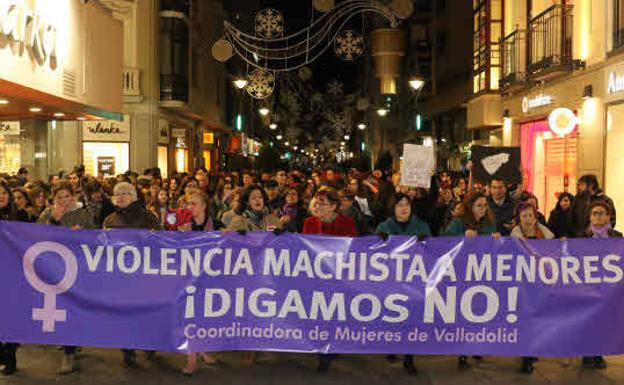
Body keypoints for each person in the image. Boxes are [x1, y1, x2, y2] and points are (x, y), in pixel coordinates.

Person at [37, 181, 95, 374]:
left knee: (73, 308)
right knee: (60, 308)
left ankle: (69, 353)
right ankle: (69, 341)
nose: (63, 201)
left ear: (73, 197)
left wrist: (83, 235)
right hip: (54, 270)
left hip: (78, 270)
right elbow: (35, 236)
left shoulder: (83, 214)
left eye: (66, 196)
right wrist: (53, 221)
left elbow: (95, 239)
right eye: (59, 197)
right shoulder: (47, 214)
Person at [102, 182, 161, 368]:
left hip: (143, 276)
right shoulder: (109, 220)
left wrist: (155, 237)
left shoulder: (148, 218)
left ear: (134, 197)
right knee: (123, 314)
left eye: (125, 193)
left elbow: (160, 244)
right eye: (117, 193)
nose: (120, 197)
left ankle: (149, 343)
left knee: (144, 312)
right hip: (119, 278)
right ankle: (127, 350)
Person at [374, 193, 430, 375]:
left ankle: (409, 358)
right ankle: (391, 345)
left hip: (414, 283)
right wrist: (379, 242)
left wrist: (425, 244)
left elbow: (432, 252)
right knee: (392, 317)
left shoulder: (421, 226)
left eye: (407, 204)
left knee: (411, 320)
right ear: (393, 208)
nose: (404, 208)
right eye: (399, 205)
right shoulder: (384, 227)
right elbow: (373, 254)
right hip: (391, 282)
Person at [443, 191, 500, 371]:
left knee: (479, 312)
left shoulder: (489, 223)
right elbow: (445, 242)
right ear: (470, 207)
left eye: (485, 205)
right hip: (462, 275)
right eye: (479, 205)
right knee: (464, 314)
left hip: (482, 274)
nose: (483, 209)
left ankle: (476, 346)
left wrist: (497, 240)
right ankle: (462, 353)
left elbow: (494, 249)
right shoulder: (459, 223)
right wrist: (462, 238)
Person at [302, 187, 357, 372]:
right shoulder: (309, 222)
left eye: (323, 203)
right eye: (316, 203)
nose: (318, 207)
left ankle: (334, 345)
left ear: (334, 206)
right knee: (319, 315)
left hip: (339, 277)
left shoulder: (346, 224)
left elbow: (353, 249)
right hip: (316, 278)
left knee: (336, 314)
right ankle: (323, 354)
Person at [227, 185, 282, 364]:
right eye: (253, 198)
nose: (258, 200)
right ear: (246, 202)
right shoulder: (238, 221)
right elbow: (230, 246)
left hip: (268, 273)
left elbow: (283, 245)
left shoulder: (273, 220)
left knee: (264, 310)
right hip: (246, 274)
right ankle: (249, 348)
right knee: (247, 311)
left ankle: (262, 341)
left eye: (260, 196)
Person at [174, 190, 219, 375]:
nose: (190, 207)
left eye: (194, 203)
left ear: (204, 206)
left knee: (204, 317)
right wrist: (180, 236)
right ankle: (191, 358)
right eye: (187, 204)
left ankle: (202, 349)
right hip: (188, 279)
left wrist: (228, 234)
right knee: (191, 317)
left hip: (211, 279)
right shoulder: (182, 225)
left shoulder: (216, 225)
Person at [579, 201, 622, 369]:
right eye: (595, 213)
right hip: (588, 286)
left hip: (609, 288)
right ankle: (587, 352)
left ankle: (599, 353)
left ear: (608, 216)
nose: (598, 216)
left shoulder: (617, 237)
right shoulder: (582, 237)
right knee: (588, 320)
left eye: (601, 213)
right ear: (589, 217)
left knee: (604, 321)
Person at [0, 181, 30, 375]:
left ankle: (10, 358)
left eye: (3, 192)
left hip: (14, 273)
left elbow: (33, 238)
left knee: (10, 318)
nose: (1, 196)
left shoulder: (20, 215)